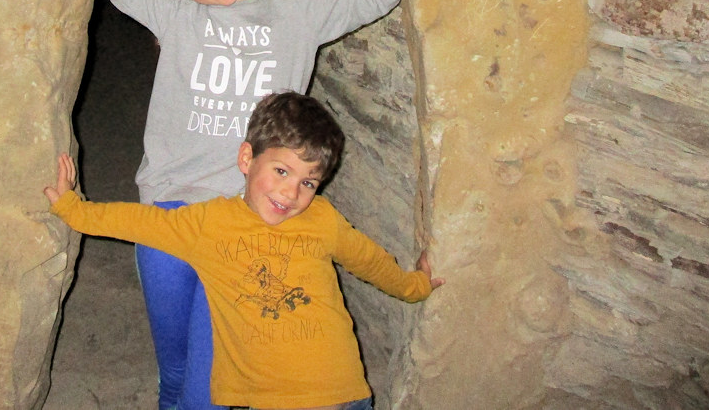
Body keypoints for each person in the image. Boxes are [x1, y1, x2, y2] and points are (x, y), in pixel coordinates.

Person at [68, 0, 404, 410]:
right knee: (173, 373)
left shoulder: (296, 13)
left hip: (246, 223)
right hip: (171, 214)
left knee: (208, 394)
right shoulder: (177, 18)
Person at [44, 92, 442, 410]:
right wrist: (71, 207)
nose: (291, 193)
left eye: (309, 183)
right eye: (282, 171)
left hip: (348, 396)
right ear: (247, 158)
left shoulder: (323, 218)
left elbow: (370, 262)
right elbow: (138, 222)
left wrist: (415, 285)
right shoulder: (209, 223)